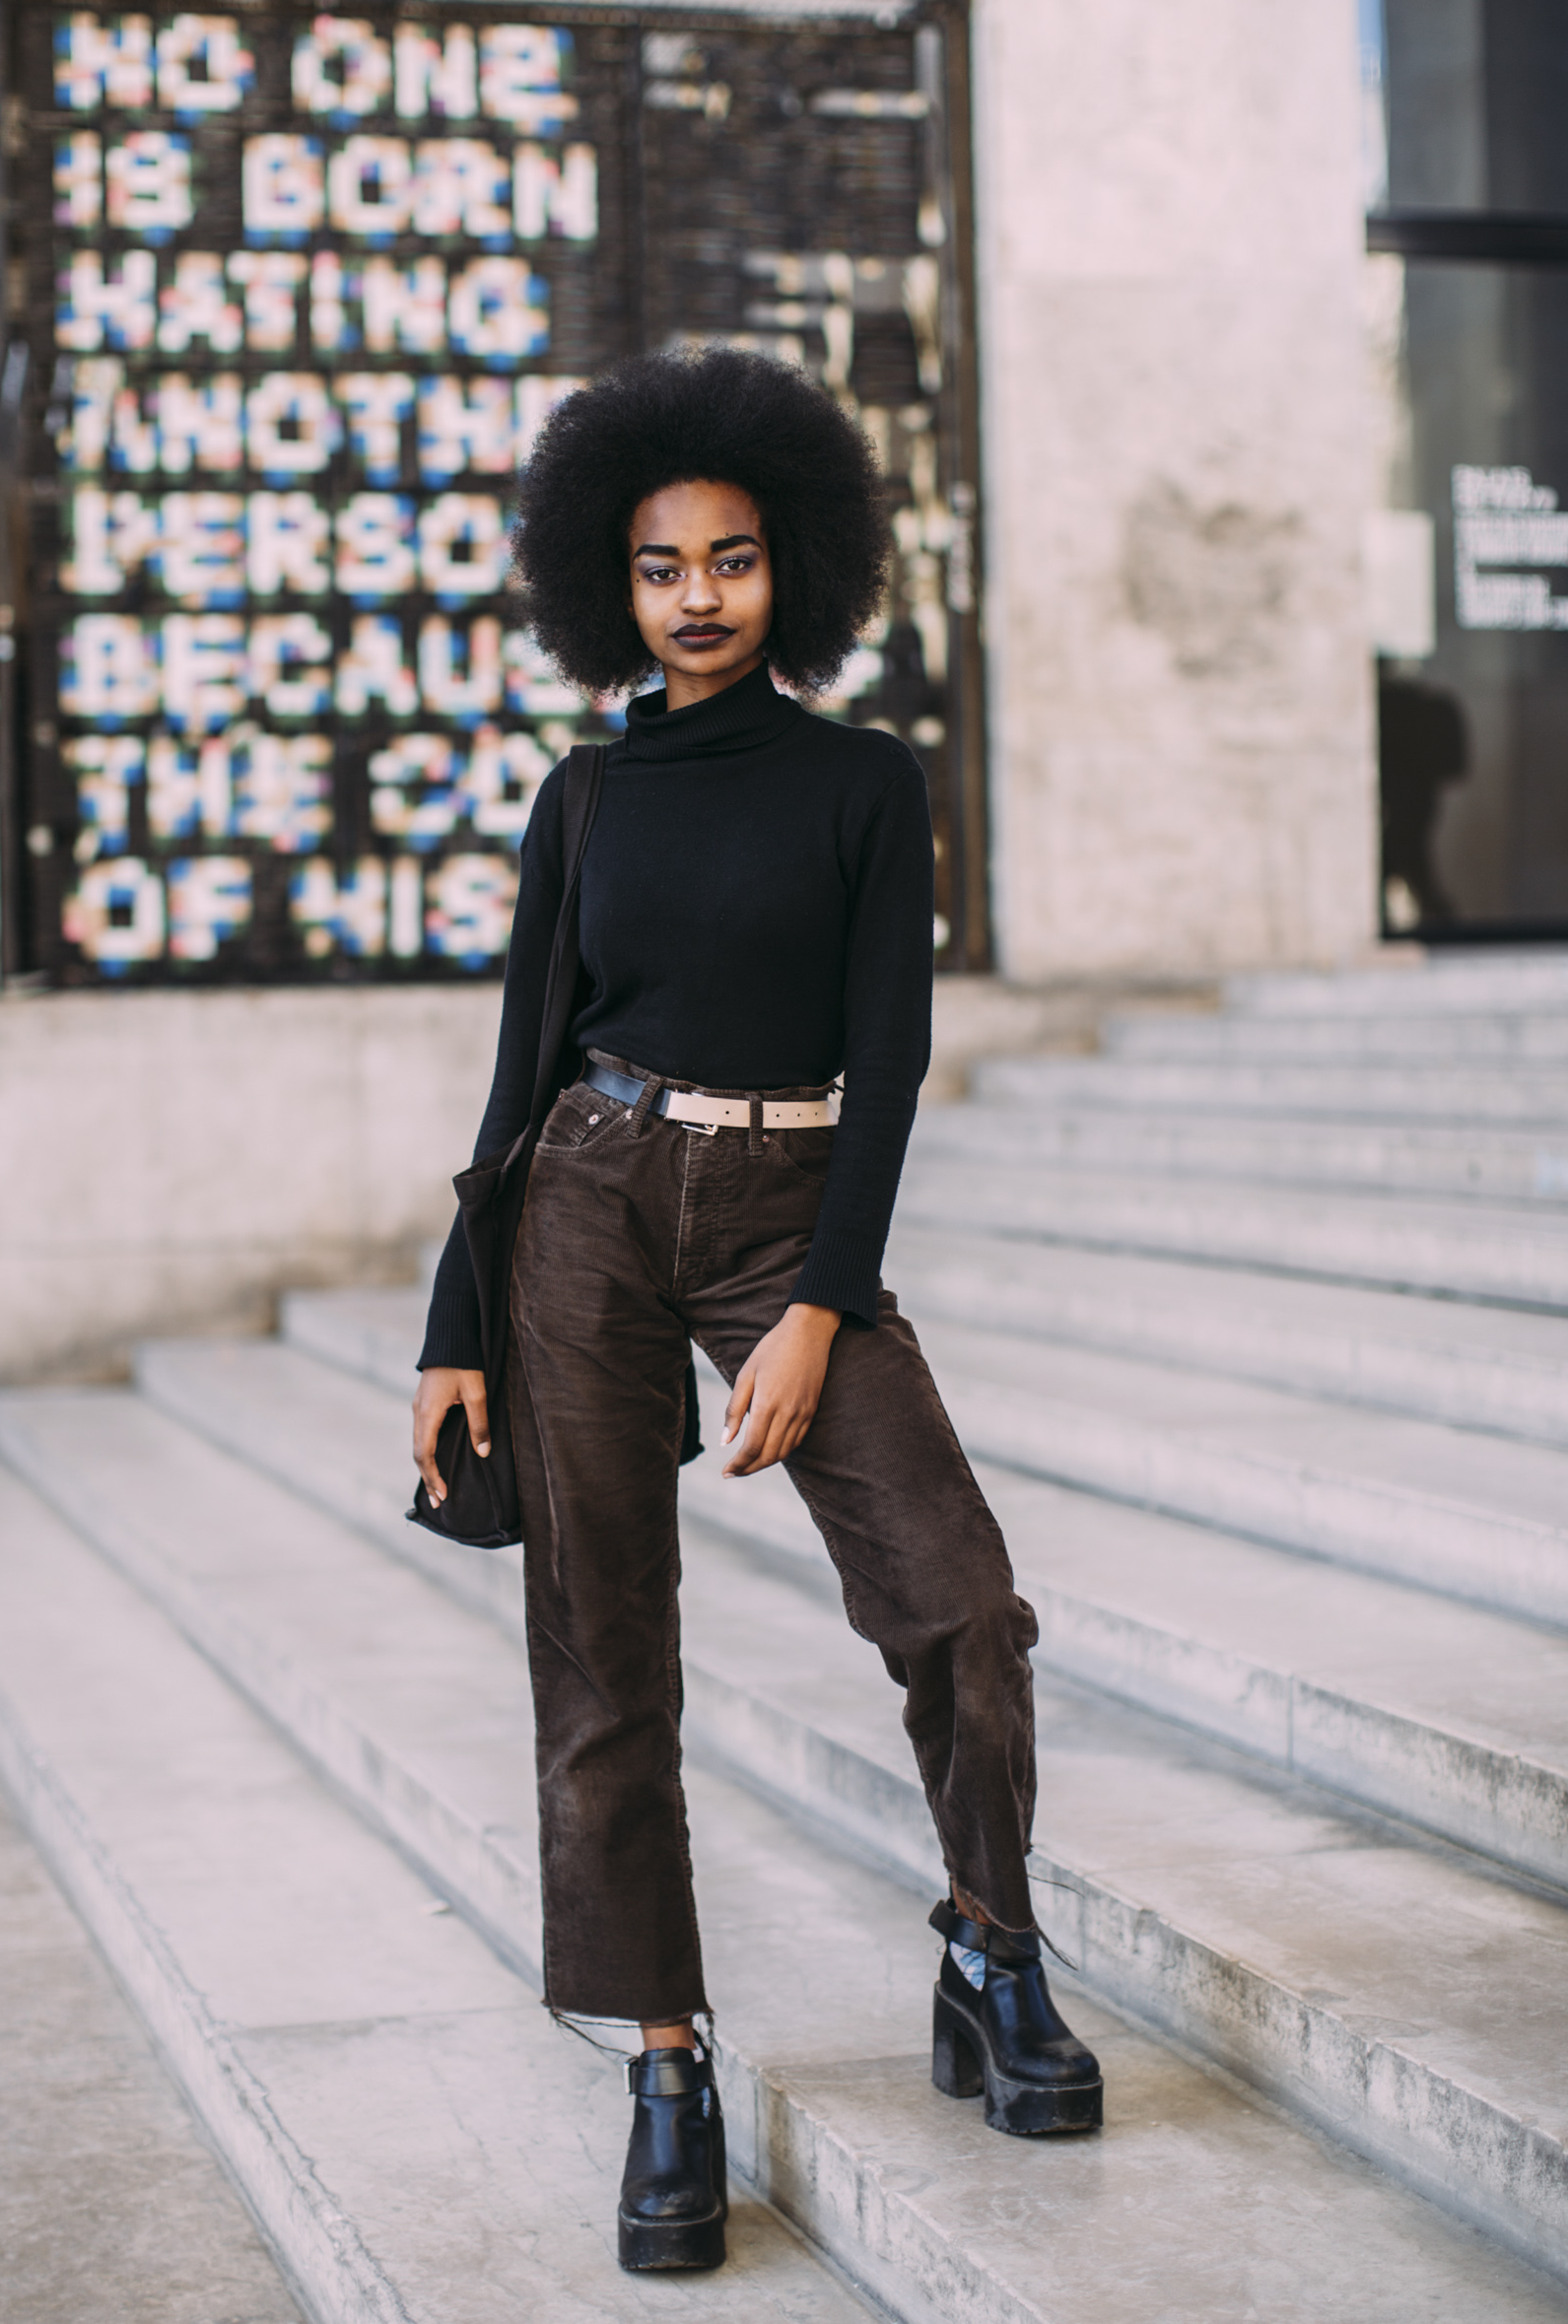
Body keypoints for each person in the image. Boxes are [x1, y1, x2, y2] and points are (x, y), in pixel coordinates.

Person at [411, 345, 1101, 2275]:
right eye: (656, 564)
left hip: (793, 1193)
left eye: (728, 557)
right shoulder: (589, 792)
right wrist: (449, 1322)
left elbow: (889, 1062)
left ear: (792, 563)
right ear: (604, 584)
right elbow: (523, 1071)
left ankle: (991, 1943)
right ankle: (664, 2059)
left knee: (957, 1595)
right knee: (603, 1645)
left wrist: (820, 1304)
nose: (696, 593)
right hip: (591, 1198)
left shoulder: (864, 784)